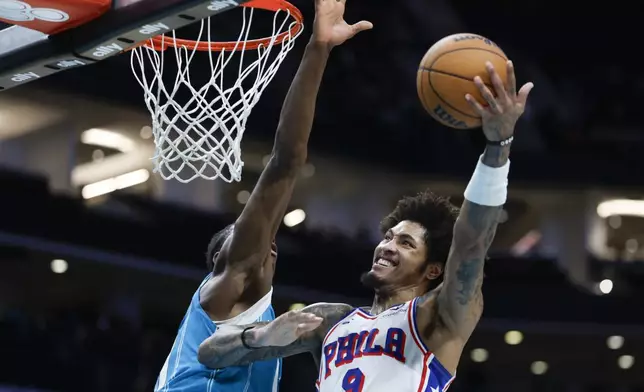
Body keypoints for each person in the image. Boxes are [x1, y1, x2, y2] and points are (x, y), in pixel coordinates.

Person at [196, 61, 534, 391]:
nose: (387, 245)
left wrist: (497, 147)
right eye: (388, 236)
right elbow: (210, 353)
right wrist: (260, 336)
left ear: (433, 270)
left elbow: (472, 242)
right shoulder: (330, 321)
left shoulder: (437, 316)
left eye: (406, 243)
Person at [153, 0, 373, 390]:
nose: (266, 244)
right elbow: (286, 161)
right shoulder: (232, 278)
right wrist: (318, 48)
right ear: (222, 258)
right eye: (244, 237)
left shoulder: (260, 307)